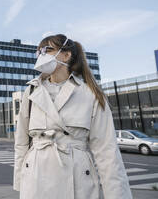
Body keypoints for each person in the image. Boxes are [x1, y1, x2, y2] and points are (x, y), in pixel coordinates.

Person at [13, 34, 132, 199]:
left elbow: (107, 151)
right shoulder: (32, 91)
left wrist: (117, 195)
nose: (42, 55)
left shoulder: (90, 93)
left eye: (47, 50)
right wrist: (21, 180)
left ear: (66, 55)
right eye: (39, 52)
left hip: (78, 180)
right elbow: (21, 142)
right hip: (35, 178)